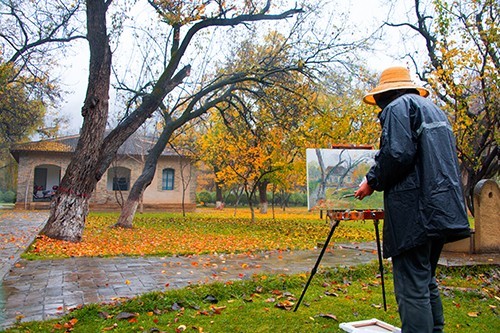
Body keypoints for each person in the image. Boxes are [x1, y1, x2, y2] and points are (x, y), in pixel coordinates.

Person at [354, 66, 471, 333]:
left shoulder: (398, 107)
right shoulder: (433, 110)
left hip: (415, 213)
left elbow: (397, 154)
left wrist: (371, 181)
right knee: (425, 280)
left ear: (387, 94)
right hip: (440, 210)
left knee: (411, 287)